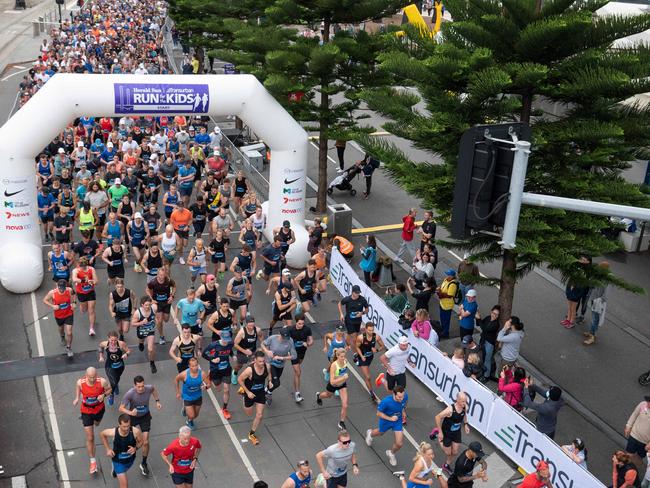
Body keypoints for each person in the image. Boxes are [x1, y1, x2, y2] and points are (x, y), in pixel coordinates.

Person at [119, 376, 163, 477]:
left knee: (146, 442)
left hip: (145, 416)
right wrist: (130, 412)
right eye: (138, 386)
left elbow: (154, 391)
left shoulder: (149, 388)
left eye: (142, 386)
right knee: (127, 440)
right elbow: (121, 408)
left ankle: (143, 463)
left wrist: (157, 401)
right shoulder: (130, 393)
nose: (141, 388)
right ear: (134, 385)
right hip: (133, 418)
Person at [73, 367, 112, 474]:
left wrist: (103, 395)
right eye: (90, 377)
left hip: (99, 409)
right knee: (90, 437)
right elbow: (77, 387)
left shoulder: (102, 381)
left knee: (97, 424)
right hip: (86, 411)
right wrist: (77, 398)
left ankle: (95, 422)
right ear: (86, 375)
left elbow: (110, 389)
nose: (93, 379)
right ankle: (93, 462)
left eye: (94, 376)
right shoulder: (80, 382)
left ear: (97, 374)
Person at [365, 385, 408, 466]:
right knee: (380, 433)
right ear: (394, 394)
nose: (401, 399)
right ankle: (370, 434)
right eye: (399, 397)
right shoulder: (386, 401)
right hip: (386, 420)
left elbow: (403, 404)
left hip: (397, 421)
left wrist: (403, 411)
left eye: (402, 396)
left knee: (399, 443)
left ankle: (391, 453)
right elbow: (378, 413)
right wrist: (390, 418)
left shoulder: (404, 396)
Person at [238, 350, 273, 446]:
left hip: (260, 393)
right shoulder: (249, 370)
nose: (262, 363)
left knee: (259, 415)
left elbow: (269, 374)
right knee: (249, 413)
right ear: (255, 361)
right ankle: (243, 392)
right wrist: (248, 392)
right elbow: (240, 379)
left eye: (263, 361)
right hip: (249, 394)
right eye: (260, 361)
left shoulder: (267, 366)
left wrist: (270, 381)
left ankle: (251, 434)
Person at [99, 414, 143, 485]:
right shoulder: (114, 432)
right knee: (124, 485)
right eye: (124, 426)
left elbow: (141, 442)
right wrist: (108, 449)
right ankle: (116, 468)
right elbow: (102, 434)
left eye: (128, 426)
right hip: (118, 461)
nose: (126, 428)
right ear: (119, 425)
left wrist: (135, 448)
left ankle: (115, 471)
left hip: (130, 460)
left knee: (125, 469)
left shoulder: (135, 431)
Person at [434, 391, 471, 472]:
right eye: (463, 401)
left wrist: (465, 424)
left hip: (456, 432)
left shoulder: (464, 406)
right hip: (446, 433)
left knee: (454, 452)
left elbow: (464, 414)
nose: (464, 403)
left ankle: (446, 465)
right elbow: (437, 417)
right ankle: (437, 434)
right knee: (448, 453)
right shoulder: (450, 410)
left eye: (465, 401)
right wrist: (440, 432)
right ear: (457, 400)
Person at [261, 327, 298, 406]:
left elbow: (294, 356)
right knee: (277, 383)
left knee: (274, 382)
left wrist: (282, 358)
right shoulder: (272, 338)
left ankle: (265, 391)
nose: (285, 339)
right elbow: (262, 344)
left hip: (281, 365)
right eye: (284, 337)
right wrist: (267, 351)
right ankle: (268, 393)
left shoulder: (290, 341)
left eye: (287, 337)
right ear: (279, 334)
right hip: (271, 363)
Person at [202, 332, 234, 420]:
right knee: (218, 388)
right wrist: (212, 359)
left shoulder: (230, 343)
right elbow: (204, 354)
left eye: (227, 340)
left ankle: (224, 408)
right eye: (224, 340)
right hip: (215, 369)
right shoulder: (213, 345)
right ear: (221, 337)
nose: (226, 342)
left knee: (226, 389)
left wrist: (233, 355)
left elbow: (230, 349)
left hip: (226, 369)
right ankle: (209, 377)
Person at [316, 347, 351, 430]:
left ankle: (341, 422)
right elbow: (332, 381)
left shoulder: (345, 361)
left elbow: (343, 370)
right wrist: (343, 378)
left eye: (344, 356)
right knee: (328, 395)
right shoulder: (334, 366)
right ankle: (319, 396)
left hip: (342, 385)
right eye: (342, 356)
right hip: (334, 385)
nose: (343, 358)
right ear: (338, 356)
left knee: (345, 405)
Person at [43, 279, 76, 358]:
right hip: (59, 315)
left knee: (69, 332)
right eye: (60, 288)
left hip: (69, 314)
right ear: (57, 286)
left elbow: (74, 295)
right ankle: (62, 337)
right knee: (61, 328)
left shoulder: (69, 290)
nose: (61, 290)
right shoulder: (52, 293)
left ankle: (68, 347)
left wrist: (74, 303)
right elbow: (45, 300)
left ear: (66, 286)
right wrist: (52, 306)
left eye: (63, 288)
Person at [175, 357, 210, 430]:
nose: (195, 367)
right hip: (187, 397)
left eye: (196, 365)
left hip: (198, 396)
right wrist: (178, 392)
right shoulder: (184, 374)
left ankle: (186, 410)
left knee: (196, 415)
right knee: (192, 415)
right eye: (193, 366)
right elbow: (176, 380)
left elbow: (209, 384)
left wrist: (205, 387)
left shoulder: (202, 374)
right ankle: (189, 421)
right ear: (189, 366)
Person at [354, 321, 385, 402]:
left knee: (367, 370)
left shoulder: (376, 337)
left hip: (370, 357)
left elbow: (382, 346)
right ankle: (372, 394)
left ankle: (356, 358)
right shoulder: (360, 338)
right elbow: (357, 347)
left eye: (372, 330)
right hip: (363, 358)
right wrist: (361, 356)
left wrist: (377, 350)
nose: (371, 332)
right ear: (365, 329)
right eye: (369, 330)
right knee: (368, 377)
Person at [98, 331, 130, 405]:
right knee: (113, 382)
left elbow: (128, 351)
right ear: (108, 339)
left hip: (120, 365)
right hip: (109, 366)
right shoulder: (105, 343)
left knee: (116, 379)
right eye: (111, 340)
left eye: (115, 340)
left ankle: (115, 385)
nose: (113, 342)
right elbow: (100, 346)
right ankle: (111, 395)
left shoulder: (121, 344)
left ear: (117, 339)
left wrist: (126, 354)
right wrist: (101, 356)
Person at [146, 267, 176, 345]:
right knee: (159, 321)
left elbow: (174, 286)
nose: (162, 277)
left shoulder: (168, 280)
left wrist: (172, 296)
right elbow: (147, 290)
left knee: (166, 319)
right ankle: (161, 336)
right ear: (157, 275)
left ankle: (158, 318)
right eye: (160, 275)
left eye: (163, 275)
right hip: (157, 303)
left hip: (166, 302)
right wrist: (151, 299)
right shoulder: (153, 282)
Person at [583, 261, 610, 345]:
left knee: (595, 319)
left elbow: (606, 294)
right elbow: (591, 284)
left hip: (598, 302)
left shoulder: (608, 279)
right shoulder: (598, 276)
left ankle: (592, 336)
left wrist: (599, 300)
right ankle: (591, 332)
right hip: (593, 299)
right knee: (593, 317)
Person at [289, 315, 313, 403]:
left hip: (302, 352)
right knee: (298, 372)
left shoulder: (307, 329)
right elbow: (286, 340)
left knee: (297, 372)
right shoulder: (291, 329)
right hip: (293, 353)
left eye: (302, 324)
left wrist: (308, 344)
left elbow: (311, 340)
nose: (301, 325)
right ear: (296, 322)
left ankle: (295, 380)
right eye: (299, 324)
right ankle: (297, 393)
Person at [132, 296, 159, 374]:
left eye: (149, 305)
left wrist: (156, 320)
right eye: (146, 305)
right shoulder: (137, 313)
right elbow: (133, 324)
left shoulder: (154, 308)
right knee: (141, 340)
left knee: (150, 349)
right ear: (142, 305)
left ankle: (152, 363)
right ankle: (141, 343)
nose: (148, 307)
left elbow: (156, 314)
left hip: (151, 330)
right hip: (141, 330)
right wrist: (141, 323)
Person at [72, 257, 98, 336]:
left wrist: (92, 282)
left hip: (90, 292)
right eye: (81, 266)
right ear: (79, 265)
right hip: (81, 293)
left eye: (84, 266)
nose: (83, 268)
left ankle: (91, 329)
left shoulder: (91, 269)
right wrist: (84, 280)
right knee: (84, 310)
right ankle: (82, 307)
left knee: (91, 310)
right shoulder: (76, 270)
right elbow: (74, 279)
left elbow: (96, 281)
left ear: (87, 265)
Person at [338, 284, 369, 350]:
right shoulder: (347, 299)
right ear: (352, 292)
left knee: (353, 335)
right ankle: (356, 353)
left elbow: (367, 309)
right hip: (349, 321)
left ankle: (346, 341)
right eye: (356, 293)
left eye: (359, 293)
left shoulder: (362, 300)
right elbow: (339, 303)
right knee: (355, 338)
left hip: (358, 321)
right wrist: (341, 314)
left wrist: (362, 313)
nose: (358, 294)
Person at [624, 395, 650, 468]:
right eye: (648, 401)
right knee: (629, 454)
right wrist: (628, 426)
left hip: (645, 442)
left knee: (639, 458)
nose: (647, 403)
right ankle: (625, 468)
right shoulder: (642, 404)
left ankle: (633, 469)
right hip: (634, 435)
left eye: (649, 402)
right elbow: (634, 415)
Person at [476, 305, 500, 381]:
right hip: (482, 340)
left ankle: (486, 376)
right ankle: (482, 371)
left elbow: (485, 328)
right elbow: (479, 324)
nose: (494, 315)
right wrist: (477, 318)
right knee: (481, 357)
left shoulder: (496, 324)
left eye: (496, 314)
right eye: (493, 313)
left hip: (489, 343)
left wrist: (479, 319)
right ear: (491, 312)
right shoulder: (488, 318)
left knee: (487, 360)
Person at [436, 269, 459, 338]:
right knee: (442, 318)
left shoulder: (453, 284)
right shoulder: (446, 280)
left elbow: (449, 295)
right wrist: (439, 289)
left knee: (446, 320)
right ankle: (443, 330)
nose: (447, 276)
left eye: (448, 275)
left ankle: (445, 333)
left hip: (447, 305)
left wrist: (439, 293)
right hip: (442, 303)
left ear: (452, 276)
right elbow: (442, 287)